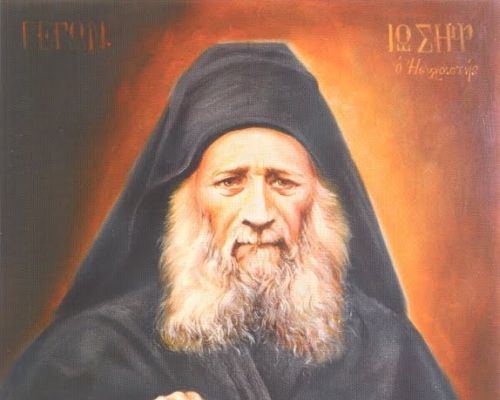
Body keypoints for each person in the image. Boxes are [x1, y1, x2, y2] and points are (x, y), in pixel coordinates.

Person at [1, 43, 456, 400]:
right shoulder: (95, 351)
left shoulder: (389, 352)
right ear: (188, 201)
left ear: (319, 203)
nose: (259, 214)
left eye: (282, 182)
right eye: (230, 182)